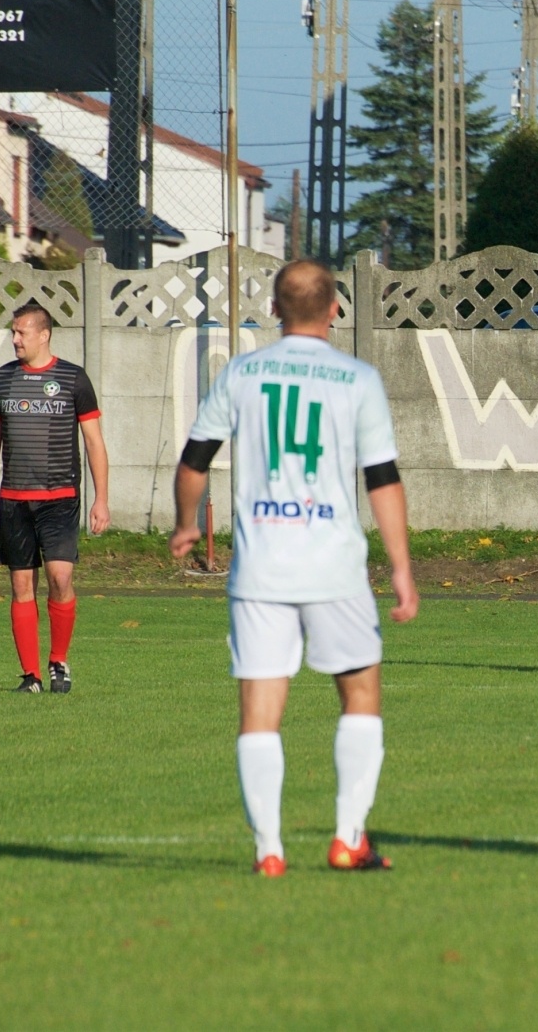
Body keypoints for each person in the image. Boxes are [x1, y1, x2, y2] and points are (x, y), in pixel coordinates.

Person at [169, 259, 419, 877]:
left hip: (261, 570)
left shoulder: (242, 373)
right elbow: (382, 479)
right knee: (360, 695)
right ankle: (347, 837)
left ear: (275, 310)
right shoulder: (358, 379)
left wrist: (185, 522)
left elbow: (195, 460)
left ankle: (269, 850)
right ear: (335, 309)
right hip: (334, 569)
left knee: (260, 711)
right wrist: (401, 567)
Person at [0, 303, 110, 694]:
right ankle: (31, 676)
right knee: (20, 586)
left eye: (21, 332)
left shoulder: (73, 378)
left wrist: (101, 499)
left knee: (60, 577)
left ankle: (58, 661)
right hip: (14, 499)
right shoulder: (2, 380)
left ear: (43, 334)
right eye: (13, 333)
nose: (15, 339)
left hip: (60, 497)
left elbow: (94, 442)